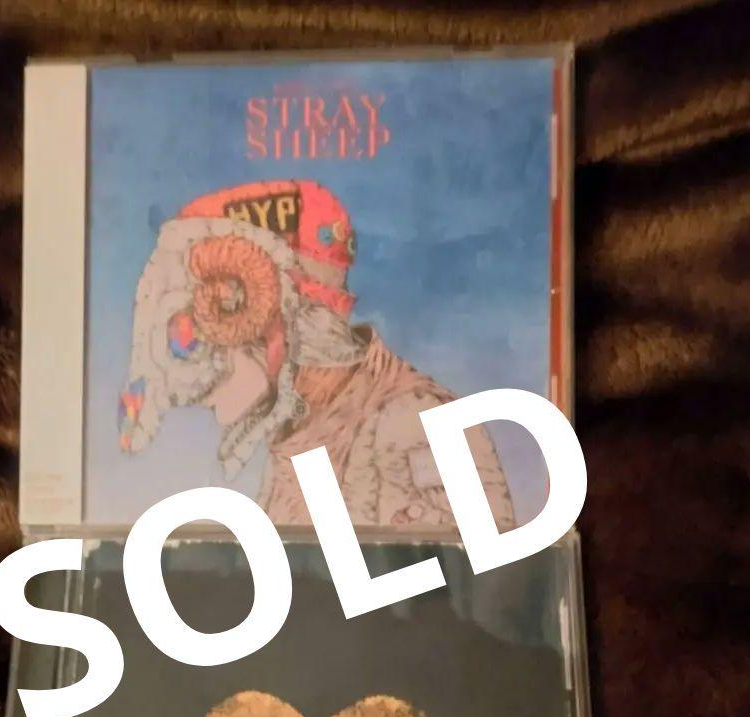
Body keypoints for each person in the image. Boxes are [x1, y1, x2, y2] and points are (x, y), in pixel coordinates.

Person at [118, 179, 515, 530]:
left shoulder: (419, 423)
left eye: (204, 335)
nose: (197, 381)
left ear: (264, 317)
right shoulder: (302, 434)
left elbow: (481, 585)